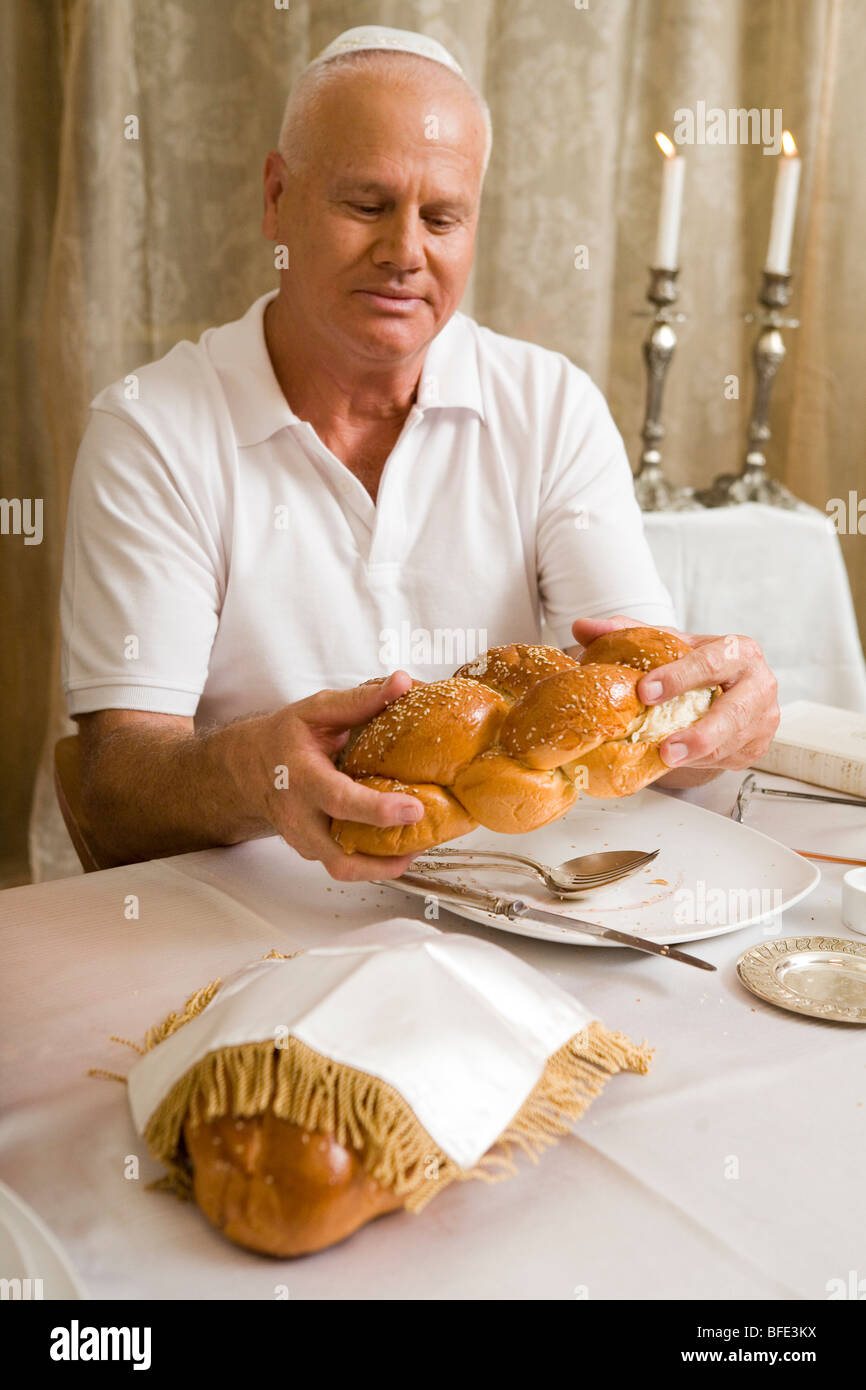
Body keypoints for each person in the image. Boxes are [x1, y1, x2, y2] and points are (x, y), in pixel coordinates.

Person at [60, 26, 779, 878]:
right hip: (241, 927)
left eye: (442, 218)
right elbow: (109, 791)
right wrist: (257, 772)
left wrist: (711, 720)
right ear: (277, 197)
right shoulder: (153, 429)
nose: (405, 253)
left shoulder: (551, 405)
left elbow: (635, 717)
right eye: (366, 205)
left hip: (513, 916)